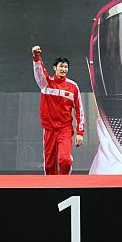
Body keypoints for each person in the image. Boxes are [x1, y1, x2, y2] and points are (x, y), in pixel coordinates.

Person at [32, 46, 84, 175]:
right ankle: (51, 189)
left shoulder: (73, 86)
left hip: (65, 129)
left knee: (65, 160)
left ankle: (64, 182)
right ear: (55, 68)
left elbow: (79, 110)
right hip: (49, 129)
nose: (64, 69)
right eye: (61, 66)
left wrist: (80, 132)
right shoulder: (45, 83)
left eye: (66, 67)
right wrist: (36, 57)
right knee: (49, 165)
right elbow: (39, 72)